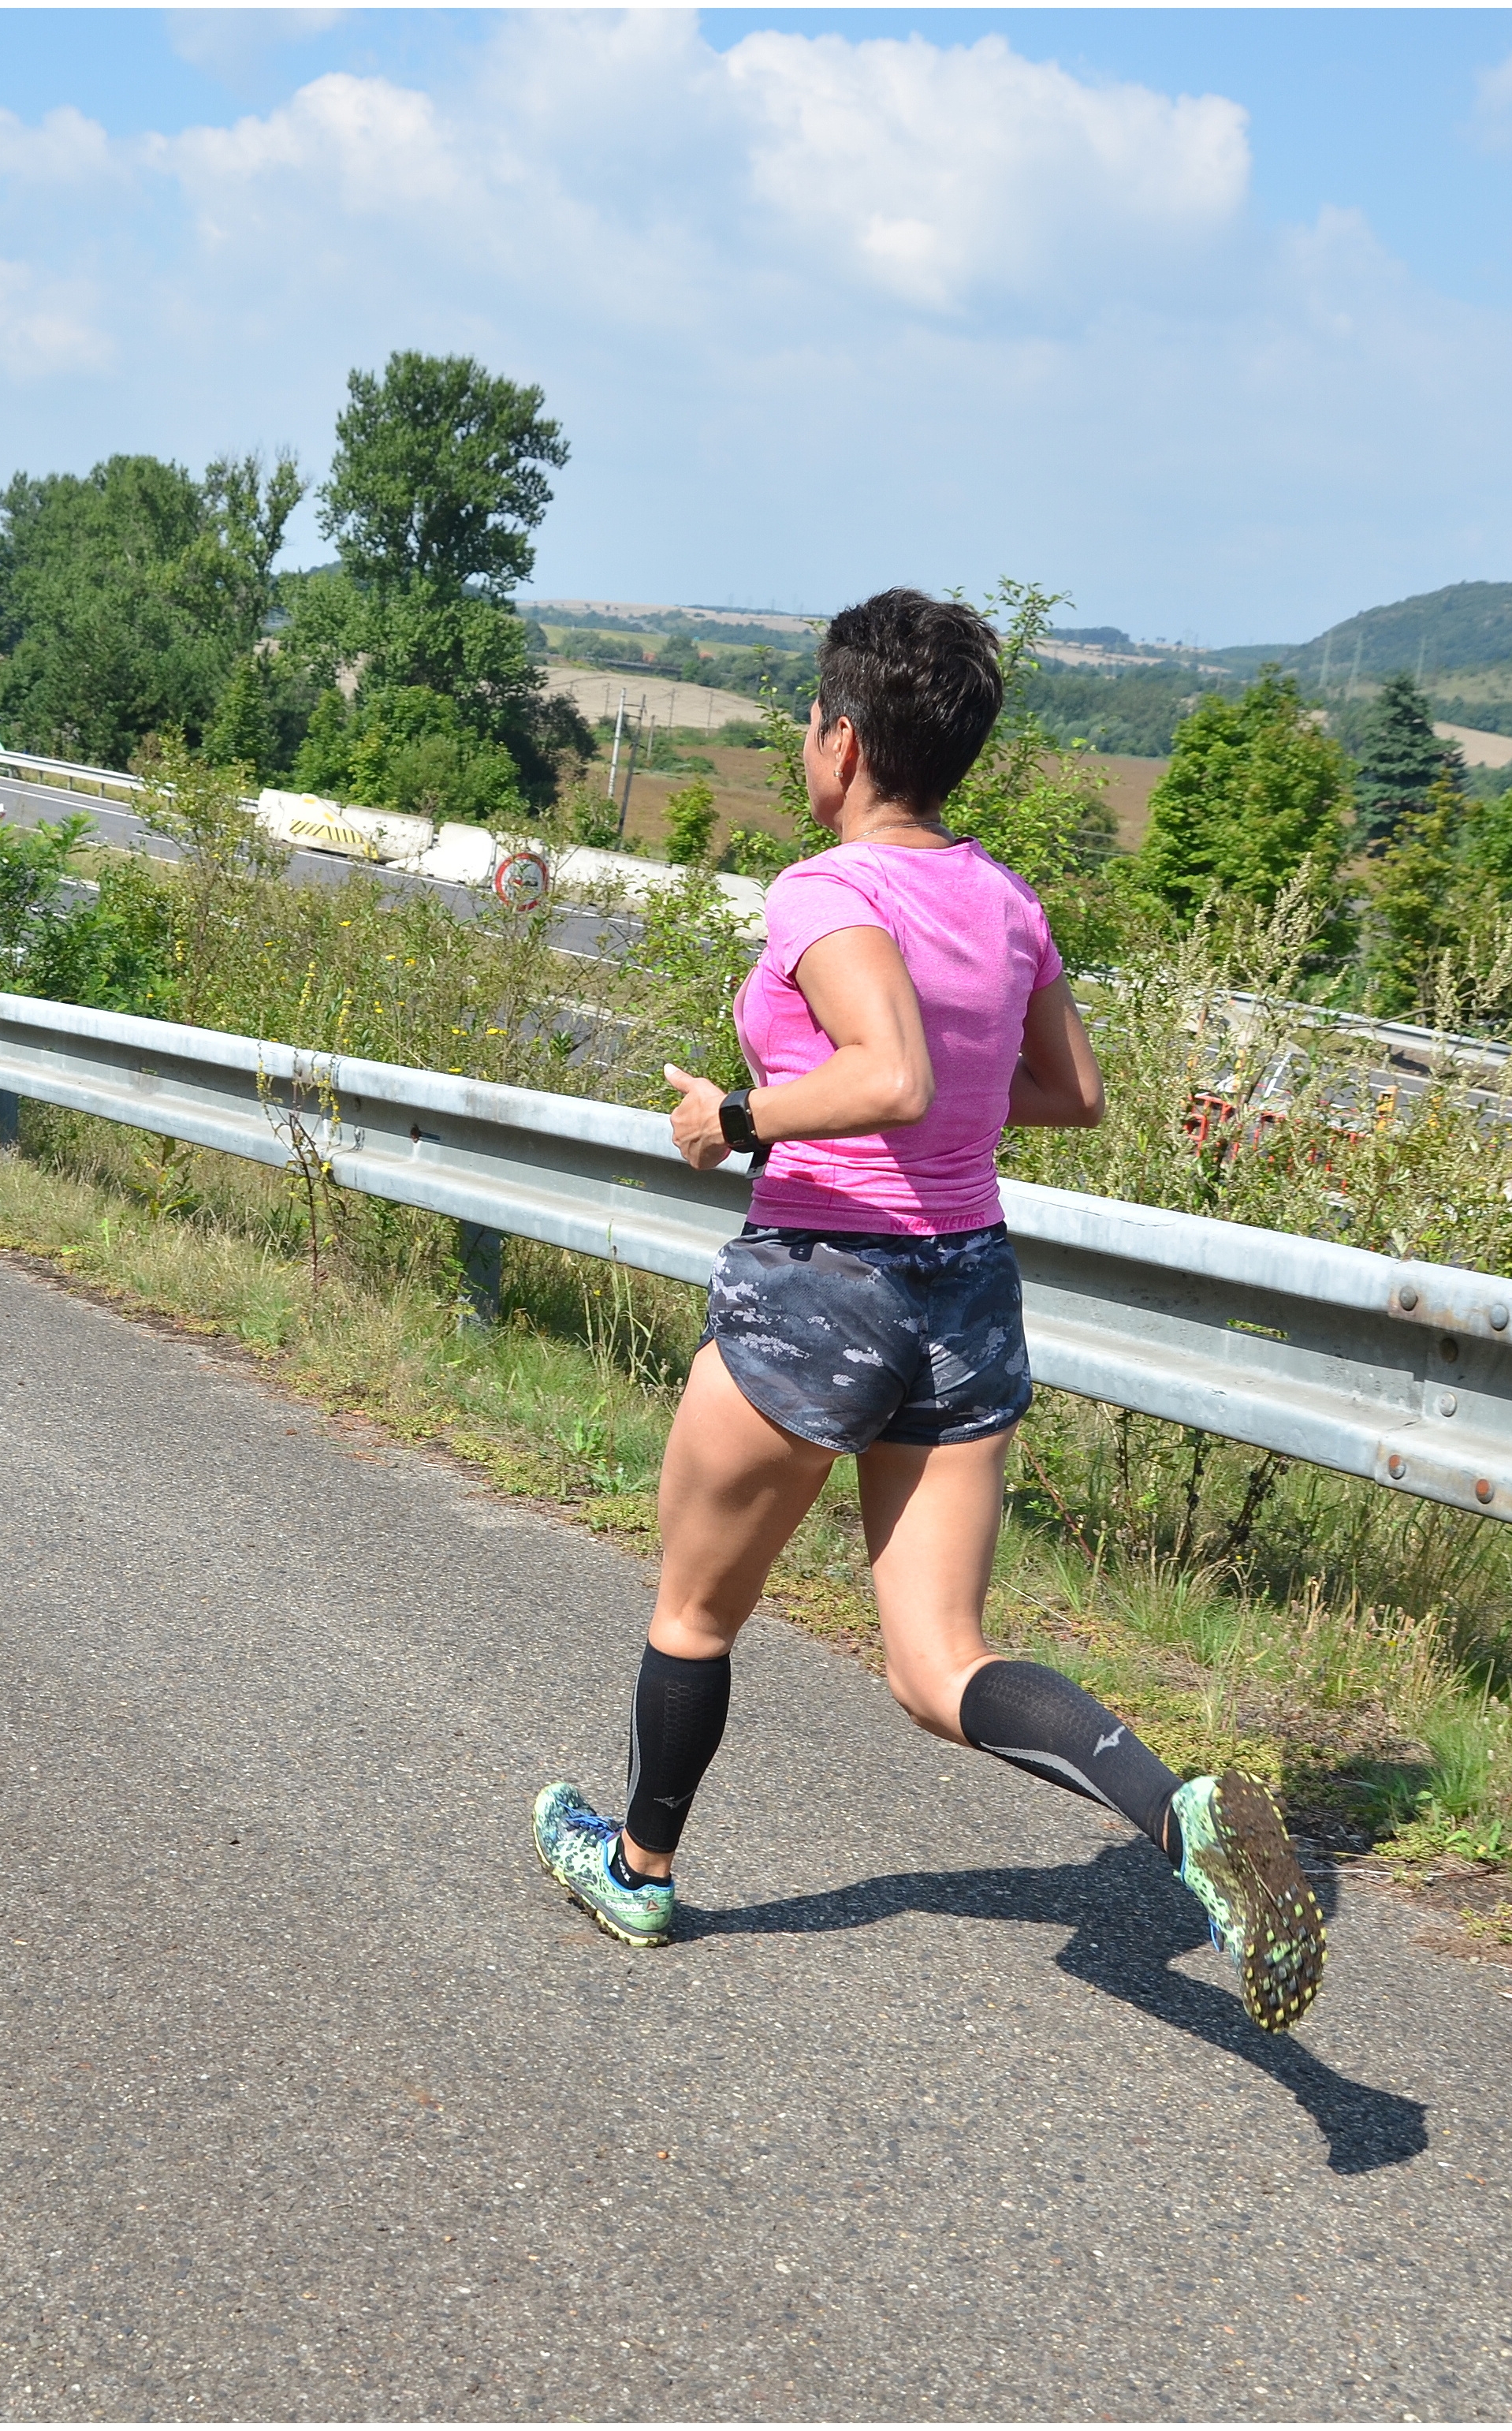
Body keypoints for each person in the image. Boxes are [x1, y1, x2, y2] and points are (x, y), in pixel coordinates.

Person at [530, 587, 1325, 2033]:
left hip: (823, 1283)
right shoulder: (1006, 899)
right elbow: (1072, 1095)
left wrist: (738, 1118)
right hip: (966, 1291)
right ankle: (1178, 1809)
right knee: (937, 1659)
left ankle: (639, 1867)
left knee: (697, 1612)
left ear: (842, 737)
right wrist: (939, 1105)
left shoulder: (825, 892)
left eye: (811, 721)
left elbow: (888, 1072)